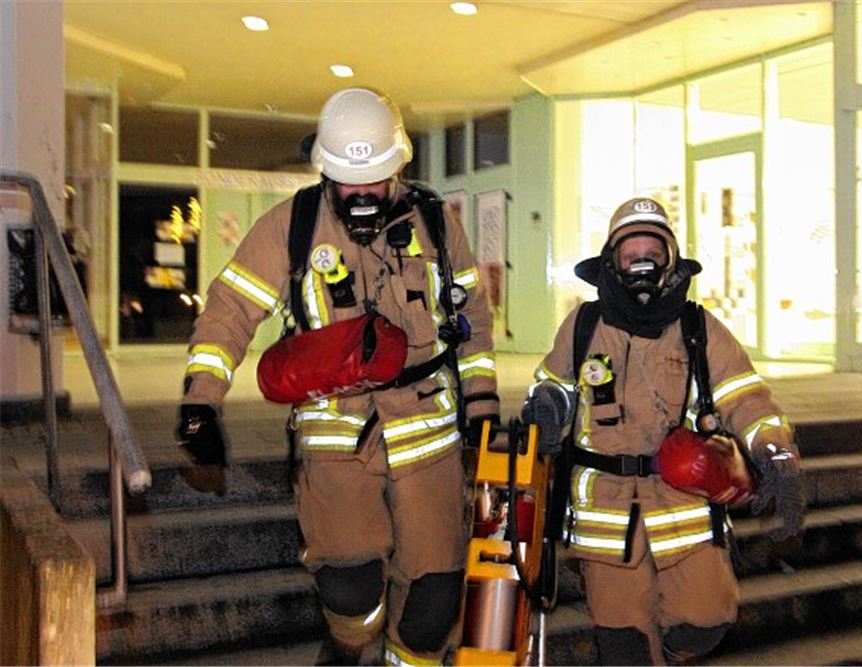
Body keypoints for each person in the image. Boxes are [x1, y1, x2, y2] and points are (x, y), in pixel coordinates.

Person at [175, 87, 499, 665]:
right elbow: (230, 311)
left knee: (432, 605)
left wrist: (481, 403)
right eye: (349, 182)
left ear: (397, 168)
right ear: (325, 170)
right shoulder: (291, 226)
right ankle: (347, 649)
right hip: (335, 437)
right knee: (351, 591)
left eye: (375, 179)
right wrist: (201, 400)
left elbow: (471, 316)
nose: (362, 193)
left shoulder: (436, 223)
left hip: (430, 434)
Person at [521, 197, 805, 665]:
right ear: (611, 262)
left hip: (683, 502)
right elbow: (552, 384)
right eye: (631, 254)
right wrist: (548, 406)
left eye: (652, 253)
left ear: (671, 260)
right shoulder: (584, 325)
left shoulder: (698, 328)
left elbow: (746, 398)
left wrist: (776, 452)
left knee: (705, 624)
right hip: (606, 513)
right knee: (625, 649)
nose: (642, 264)